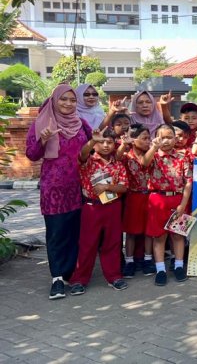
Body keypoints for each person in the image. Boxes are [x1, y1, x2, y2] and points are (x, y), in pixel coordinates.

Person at [26, 84, 93, 300]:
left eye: (72, 100)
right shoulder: (42, 123)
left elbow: (94, 147)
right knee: (56, 233)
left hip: (79, 186)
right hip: (54, 188)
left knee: (76, 232)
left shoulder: (81, 124)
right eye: (63, 99)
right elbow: (32, 154)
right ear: (54, 100)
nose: (68, 103)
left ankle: (71, 273)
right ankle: (56, 279)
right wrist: (43, 139)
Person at [68, 129, 129, 295]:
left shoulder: (118, 164)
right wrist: (91, 141)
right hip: (91, 207)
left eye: (109, 142)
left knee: (113, 243)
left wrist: (107, 187)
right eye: (102, 142)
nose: (106, 145)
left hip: (113, 206)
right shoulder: (88, 161)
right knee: (87, 244)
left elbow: (123, 187)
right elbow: (81, 154)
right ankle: (79, 279)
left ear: (115, 144)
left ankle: (114, 276)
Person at [143, 124, 193, 286]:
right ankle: (160, 269)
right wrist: (154, 148)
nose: (166, 141)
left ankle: (178, 266)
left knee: (178, 235)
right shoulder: (153, 155)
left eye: (169, 137)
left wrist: (183, 204)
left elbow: (188, 182)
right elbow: (144, 163)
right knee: (159, 236)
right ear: (156, 138)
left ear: (175, 138)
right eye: (162, 137)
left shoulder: (182, 156)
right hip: (158, 199)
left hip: (178, 199)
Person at [116, 123, 156, 278]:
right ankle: (129, 261)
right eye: (144, 138)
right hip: (133, 196)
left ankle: (147, 259)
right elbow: (117, 157)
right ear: (133, 140)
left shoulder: (153, 153)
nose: (148, 141)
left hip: (150, 196)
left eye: (149, 138)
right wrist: (123, 145)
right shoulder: (127, 156)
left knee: (148, 231)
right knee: (131, 232)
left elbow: (147, 162)